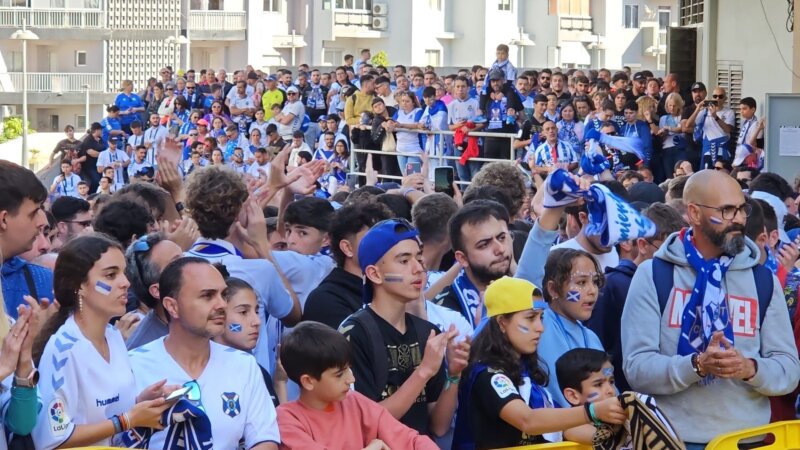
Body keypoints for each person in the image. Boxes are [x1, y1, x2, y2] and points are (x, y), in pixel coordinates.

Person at [621, 169, 800, 449]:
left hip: (747, 441)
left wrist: (750, 368)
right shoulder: (653, 274)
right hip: (673, 441)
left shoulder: (761, 279)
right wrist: (696, 365)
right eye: (728, 210)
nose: (739, 219)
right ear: (693, 213)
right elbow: (637, 368)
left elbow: (788, 369)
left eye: (743, 209)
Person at [32, 234, 172, 449]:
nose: (125, 283)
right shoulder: (64, 349)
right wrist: (128, 419)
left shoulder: (113, 335)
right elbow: (53, 437)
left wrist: (141, 403)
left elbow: (106, 413)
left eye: (123, 273)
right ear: (80, 285)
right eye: (110, 275)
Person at [451, 276, 626, 449]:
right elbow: (528, 420)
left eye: (541, 318)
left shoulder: (527, 373)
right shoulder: (486, 374)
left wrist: (620, 440)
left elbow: (565, 426)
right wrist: (593, 412)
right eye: (530, 318)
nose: (540, 328)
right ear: (502, 322)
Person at [129, 257, 280, 449]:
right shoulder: (132, 366)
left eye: (223, 295)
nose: (222, 305)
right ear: (172, 306)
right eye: (207, 296)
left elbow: (265, 439)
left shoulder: (244, 365)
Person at [339, 219, 466, 436]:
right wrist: (424, 371)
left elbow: (439, 426)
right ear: (374, 274)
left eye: (418, 257)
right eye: (404, 260)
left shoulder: (427, 331)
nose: (419, 268)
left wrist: (454, 374)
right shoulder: (354, 333)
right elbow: (365, 423)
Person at [277, 321, 438, 449]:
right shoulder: (287, 418)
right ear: (308, 381)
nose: (351, 379)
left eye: (349, 369)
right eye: (339, 374)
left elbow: (408, 439)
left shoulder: (354, 401)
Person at [587, 203, 687, 392]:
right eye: (667, 248)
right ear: (642, 245)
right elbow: (597, 347)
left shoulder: (683, 284)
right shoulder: (614, 285)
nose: (678, 257)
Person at [555, 348, 685, 449]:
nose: (610, 390)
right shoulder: (570, 426)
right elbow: (601, 438)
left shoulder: (624, 419)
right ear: (573, 396)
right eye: (598, 384)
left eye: (611, 382)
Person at [303, 202, 391, 329]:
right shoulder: (326, 300)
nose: (387, 246)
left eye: (390, 239)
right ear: (347, 248)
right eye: (375, 238)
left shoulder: (390, 288)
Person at [437, 200, 514, 328]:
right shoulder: (446, 311)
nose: (500, 249)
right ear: (462, 258)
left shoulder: (524, 289)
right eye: (484, 245)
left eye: (501, 238)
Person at [214, 277, 284, 407]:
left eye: (256, 311)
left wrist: (280, 382)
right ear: (218, 315)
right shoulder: (204, 372)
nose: (257, 321)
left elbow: (278, 425)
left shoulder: (258, 371)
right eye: (243, 312)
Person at [125, 233, 184, 350]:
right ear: (157, 290)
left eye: (186, 256)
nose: (193, 264)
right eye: (178, 264)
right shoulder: (141, 351)